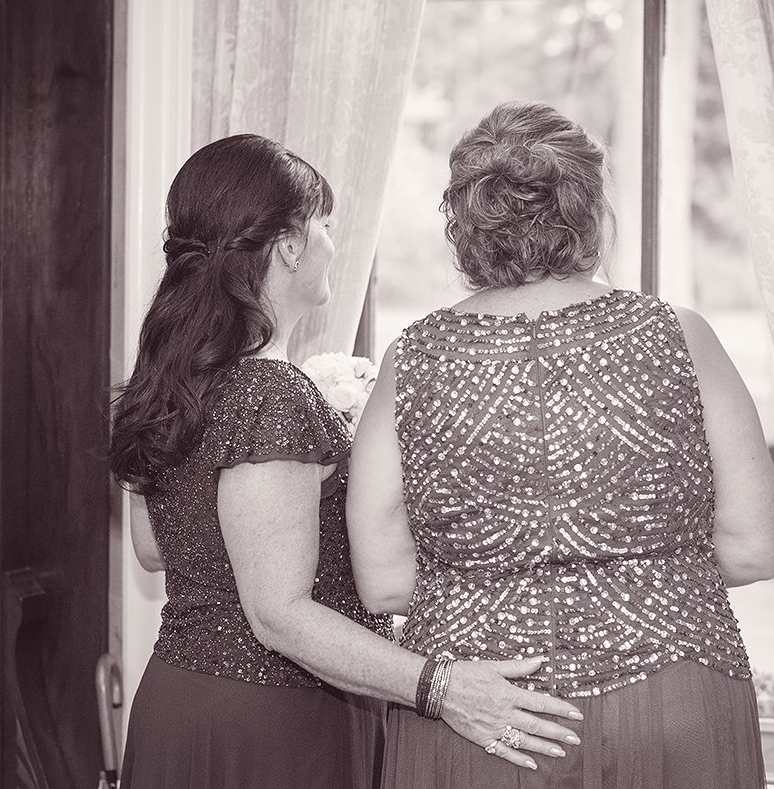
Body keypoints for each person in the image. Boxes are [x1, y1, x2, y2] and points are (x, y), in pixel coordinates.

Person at [108, 134, 583, 789]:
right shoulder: (267, 393)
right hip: (273, 727)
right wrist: (443, 687)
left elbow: (155, 548)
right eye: (325, 224)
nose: (333, 242)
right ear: (290, 246)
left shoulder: (173, 382)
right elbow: (278, 613)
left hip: (183, 705)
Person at [347, 102, 774, 789]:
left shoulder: (414, 359)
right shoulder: (679, 334)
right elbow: (754, 547)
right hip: (669, 699)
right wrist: (633, 587)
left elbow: (383, 578)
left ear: (464, 224)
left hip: (484, 710)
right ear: (590, 210)